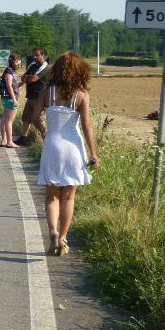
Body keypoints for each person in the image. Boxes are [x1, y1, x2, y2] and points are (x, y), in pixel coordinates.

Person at [31, 52, 100, 256]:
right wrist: (93, 153)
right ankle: (62, 237)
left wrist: (44, 132)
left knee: (51, 196)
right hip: (73, 148)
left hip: (52, 145)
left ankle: (52, 232)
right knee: (68, 197)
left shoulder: (47, 91)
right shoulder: (81, 95)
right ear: (79, 70)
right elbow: (87, 125)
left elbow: (33, 117)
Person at [17, 47, 50, 144]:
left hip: (39, 97)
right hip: (31, 95)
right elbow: (24, 77)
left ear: (43, 55)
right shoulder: (32, 65)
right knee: (26, 117)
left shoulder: (45, 66)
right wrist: (27, 77)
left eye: (37, 55)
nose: (35, 57)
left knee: (38, 119)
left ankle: (46, 139)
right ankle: (24, 138)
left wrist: (28, 77)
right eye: (34, 55)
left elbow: (33, 79)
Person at [0, 54, 22, 147]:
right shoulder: (9, 72)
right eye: (19, 62)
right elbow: (9, 86)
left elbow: (14, 86)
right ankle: (9, 142)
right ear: (15, 61)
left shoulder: (10, 71)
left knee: (5, 119)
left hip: (8, 98)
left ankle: (4, 140)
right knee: (9, 120)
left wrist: (24, 82)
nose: (20, 64)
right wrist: (14, 99)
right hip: (10, 98)